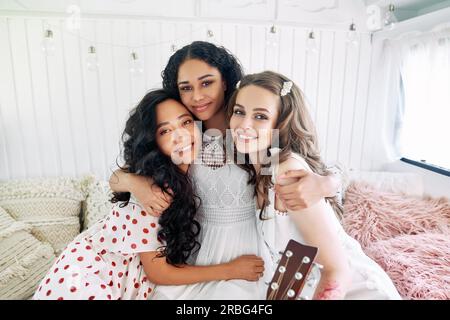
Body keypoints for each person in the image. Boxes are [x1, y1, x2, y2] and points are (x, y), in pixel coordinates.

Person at [109, 41, 341, 299]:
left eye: (207, 83)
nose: (197, 96)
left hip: (251, 251)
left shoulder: (252, 133)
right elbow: (119, 176)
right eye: (186, 88)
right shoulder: (185, 136)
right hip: (202, 252)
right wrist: (134, 183)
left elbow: (301, 158)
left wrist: (329, 183)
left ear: (226, 82)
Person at [33, 89, 264, 300]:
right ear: (153, 142)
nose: (181, 135)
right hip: (88, 277)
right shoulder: (153, 191)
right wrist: (230, 270)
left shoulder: (194, 160)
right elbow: (159, 272)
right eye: (165, 130)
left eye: (185, 122)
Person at [228, 71, 402, 300]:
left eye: (260, 116)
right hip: (306, 286)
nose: (244, 124)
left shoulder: (287, 172)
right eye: (239, 112)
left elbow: (336, 271)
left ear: (281, 123)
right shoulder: (258, 168)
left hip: (354, 291)